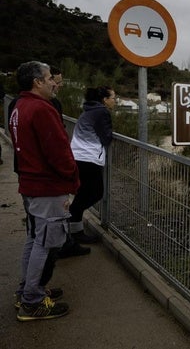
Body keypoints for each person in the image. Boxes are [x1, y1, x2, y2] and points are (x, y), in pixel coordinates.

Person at [9, 61, 80, 321]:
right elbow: (59, 153)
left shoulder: (19, 106)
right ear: (37, 82)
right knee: (46, 243)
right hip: (47, 187)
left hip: (30, 184)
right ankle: (33, 302)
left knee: (34, 238)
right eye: (50, 78)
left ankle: (28, 290)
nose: (54, 82)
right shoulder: (41, 109)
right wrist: (72, 179)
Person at [58, 86, 115, 257]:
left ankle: (76, 231)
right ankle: (71, 221)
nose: (115, 101)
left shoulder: (88, 110)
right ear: (104, 99)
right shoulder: (102, 112)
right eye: (113, 97)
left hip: (77, 156)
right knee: (96, 193)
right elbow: (106, 137)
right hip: (88, 158)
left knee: (83, 193)